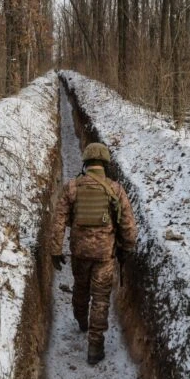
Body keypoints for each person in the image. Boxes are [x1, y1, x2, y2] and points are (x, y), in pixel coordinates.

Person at [50, 142, 138, 365]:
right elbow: (128, 226)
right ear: (105, 164)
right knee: (100, 299)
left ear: (86, 163)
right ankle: (95, 346)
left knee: (80, 287)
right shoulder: (115, 190)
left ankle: (81, 320)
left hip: (79, 253)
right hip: (104, 255)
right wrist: (127, 249)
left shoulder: (72, 187)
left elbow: (59, 220)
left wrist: (55, 250)